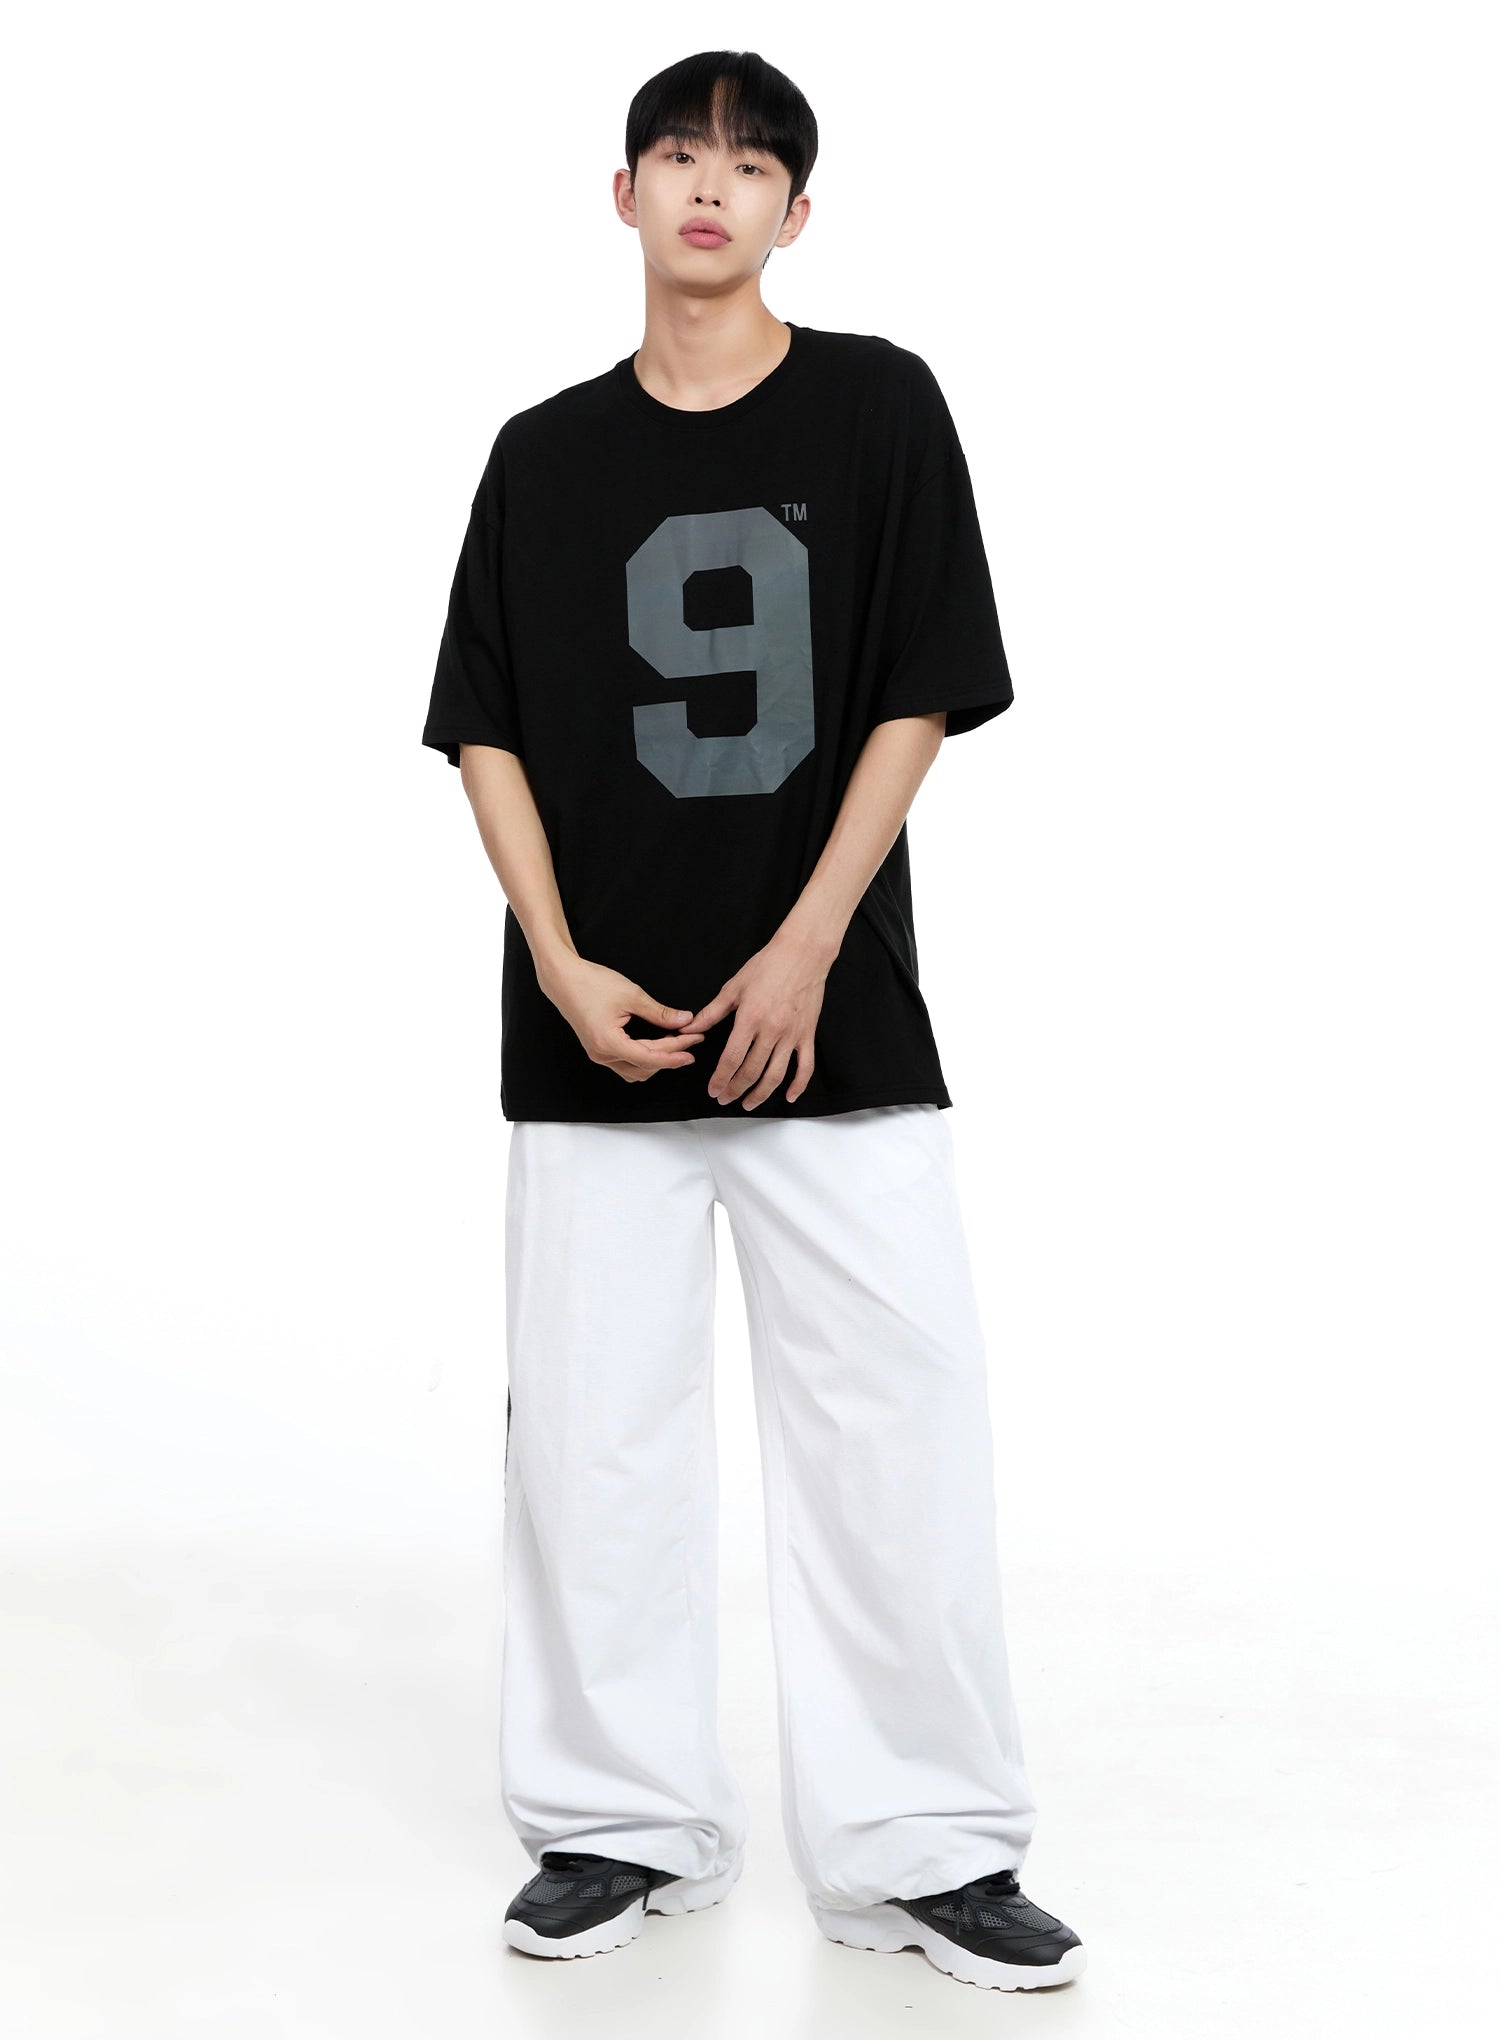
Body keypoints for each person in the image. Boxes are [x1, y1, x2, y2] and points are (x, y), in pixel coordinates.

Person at [420, 48, 1086, 1994]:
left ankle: (926, 1848)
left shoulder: (880, 406)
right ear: (621, 192)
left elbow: (918, 690)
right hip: (593, 1033)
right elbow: (484, 724)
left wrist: (806, 948)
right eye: (678, 154)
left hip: (832, 1024)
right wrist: (557, 960)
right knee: (595, 1449)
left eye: (750, 163)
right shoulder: (540, 454)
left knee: (897, 1433)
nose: (710, 186)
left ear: (800, 211)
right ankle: (619, 1824)